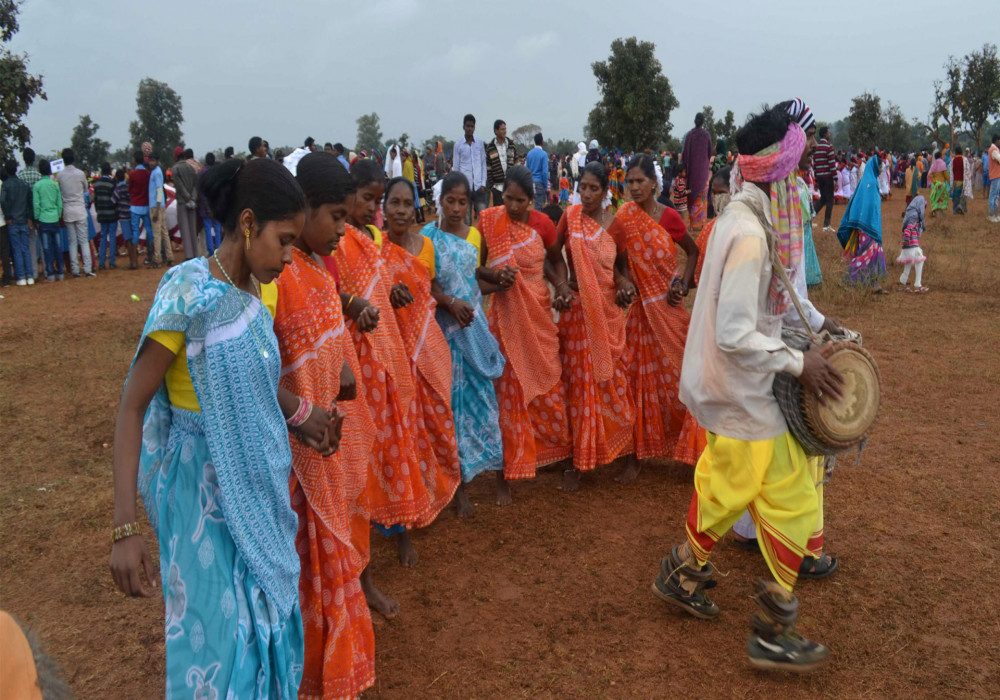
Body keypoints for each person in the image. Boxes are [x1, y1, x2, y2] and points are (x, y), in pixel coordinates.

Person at [652, 105, 845, 672]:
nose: (807, 181)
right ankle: (705, 587)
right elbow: (736, 330)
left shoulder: (745, 219)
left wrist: (815, 329)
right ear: (778, 174)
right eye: (801, 168)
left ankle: (728, 596)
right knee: (731, 487)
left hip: (748, 384)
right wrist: (799, 364)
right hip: (740, 385)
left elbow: (768, 306)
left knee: (784, 493)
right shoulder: (749, 234)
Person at [109, 157, 307, 697]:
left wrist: (300, 418)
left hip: (258, 488)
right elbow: (131, 407)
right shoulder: (187, 291)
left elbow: (251, 390)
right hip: (201, 498)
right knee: (220, 647)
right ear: (248, 223)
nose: (290, 257)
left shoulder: (257, 295)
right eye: (285, 240)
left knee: (263, 626)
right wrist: (125, 529)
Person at [274, 152, 376, 700]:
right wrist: (302, 410)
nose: (344, 227)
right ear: (303, 208)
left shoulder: (315, 270)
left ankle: (333, 669)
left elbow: (327, 341)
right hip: (290, 456)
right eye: (335, 215)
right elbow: (256, 366)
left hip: (323, 440)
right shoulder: (277, 273)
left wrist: (337, 374)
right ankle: (309, 674)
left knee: (329, 563)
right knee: (302, 571)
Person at [335, 159, 452, 608]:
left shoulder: (373, 240)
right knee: (362, 460)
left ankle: (400, 528)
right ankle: (362, 573)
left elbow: (389, 284)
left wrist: (395, 293)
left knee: (395, 443)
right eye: (368, 198)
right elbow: (338, 296)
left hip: (386, 360)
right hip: (353, 367)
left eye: (376, 199)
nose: (373, 207)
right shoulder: (337, 242)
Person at [478, 165, 572, 502]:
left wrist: (561, 284)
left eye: (520, 201)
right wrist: (497, 278)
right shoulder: (489, 221)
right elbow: (477, 270)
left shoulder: (544, 225)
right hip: (504, 316)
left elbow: (556, 261)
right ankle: (506, 470)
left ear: (532, 201)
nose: (512, 206)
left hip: (537, 314)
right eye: (507, 198)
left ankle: (560, 457)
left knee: (549, 383)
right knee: (507, 392)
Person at [422, 172, 505, 515]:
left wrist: (498, 280)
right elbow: (425, 285)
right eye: (450, 201)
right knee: (452, 411)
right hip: (446, 333)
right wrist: (449, 304)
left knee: (485, 402)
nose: (456, 208)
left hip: (474, 328)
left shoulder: (474, 236)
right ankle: (459, 487)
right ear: (439, 202)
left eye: (462, 202)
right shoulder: (427, 238)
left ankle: (500, 474)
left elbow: (474, 278)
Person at [615, 155, 702, 484]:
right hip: (640, 314)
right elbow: (618, 261)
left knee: (683, 375)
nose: (634, 187)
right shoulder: (623, 218)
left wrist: (682, 284)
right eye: (630, 182)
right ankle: (636, 455)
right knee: (637, 380)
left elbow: (692, 252)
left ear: (654, 183)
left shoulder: (668, 217)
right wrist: (623, 282)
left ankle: (691, 449)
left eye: (640, 181)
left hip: (669, 310)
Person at [380, 176, 461, 516]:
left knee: (440, 418)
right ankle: (411, 500)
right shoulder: (374, 248)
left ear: (415, 207)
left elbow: (433, 289)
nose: (400, 210)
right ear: (383, 208)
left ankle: (453, 488)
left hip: (428, 343)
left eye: (406, 203)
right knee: (405, 427)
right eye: (393, 203)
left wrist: (452, 301)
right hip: (393, 348)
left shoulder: (426, 246)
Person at [555, 161, 636, 491]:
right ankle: (579, 458)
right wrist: (562, 284)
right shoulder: (569, 218)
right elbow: (551, 255)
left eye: (593, 188)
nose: (586, 194)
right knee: (579, 383)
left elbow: (622, 269)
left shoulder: (615, 227)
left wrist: (622, 285)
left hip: (605, 313)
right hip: (577, 314)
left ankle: (623, 449)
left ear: (605, 192)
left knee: (610, 381)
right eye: (582, 187)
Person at [838, 154, 887, 290]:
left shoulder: (873, 181)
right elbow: (866, 205)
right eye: (881, 166)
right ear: (876, 166)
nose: (882, 169)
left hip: (871, 225)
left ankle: (874, 284)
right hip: (866, 226)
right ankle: (849, 281)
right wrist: (866, 223)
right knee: (867, 254)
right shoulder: (868, 184)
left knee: (874, 252)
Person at [54, 148, 93, 278]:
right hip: (80, 209)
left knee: (72, 242)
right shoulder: (80, 173)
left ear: (63, 161)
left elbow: (58, 191)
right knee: (84, 241)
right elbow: (85, 188)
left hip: (68, 211)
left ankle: (75, 270)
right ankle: (87, 268)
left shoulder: (60, 176)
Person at [1, 161, 34, 285]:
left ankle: (21, 277)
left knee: (16, 250)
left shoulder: (6, 185)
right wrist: (29, 217)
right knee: (25, 248)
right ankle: (29, 276)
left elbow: (3, 201)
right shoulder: (24, 184)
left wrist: (8, 216)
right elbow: (30, 201)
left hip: (12, 221)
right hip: (24, 220)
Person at [453, 114, 488, 223]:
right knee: (467, 221)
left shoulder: (480, 143)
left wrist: (483, 184)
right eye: (468, 126)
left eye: (472, 126)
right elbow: (456, 167)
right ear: (463, 127)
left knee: (484, 218)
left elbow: (483, 164)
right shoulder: (458, 145)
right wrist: (459, 186)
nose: (470, 129)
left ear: (474, 127)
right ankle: (468, 240)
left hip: (479, 187)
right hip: (465, 189)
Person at [682, 113, 714, 233]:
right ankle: (701, 224)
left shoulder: (689, 135)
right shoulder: (706, 135)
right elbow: (709, 152)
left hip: (691, 175)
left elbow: (685, 155)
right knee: (702, 200)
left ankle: (692, 224)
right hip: (703, 175)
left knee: (693, 198)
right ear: (703, 122)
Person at [32, 159, 63, 281]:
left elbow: (36, 204)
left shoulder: (37, 186)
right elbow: (59, 203)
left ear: (40, 171)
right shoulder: (54, 184)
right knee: (57, 247)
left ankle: (50, 274)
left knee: (46, 249)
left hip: (43, 220)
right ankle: (60, 273)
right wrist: (58, 215)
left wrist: (36, 219)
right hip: (54, 218)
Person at [18, 148, 42, 278]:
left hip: (24, 213)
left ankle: (30, 272)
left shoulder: (20, 176)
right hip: (38, 212)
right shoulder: (38, 176)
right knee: (37, 242)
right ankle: (37, 270)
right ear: (33, 160)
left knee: (26, 243)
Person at [173, 148, 200, 259]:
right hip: (192, 202)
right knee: (193, 229)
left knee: (185, 229)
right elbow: (195, 185)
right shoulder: (191, 168)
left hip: (182, 202)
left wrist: (187, 197)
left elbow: (179, 185)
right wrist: (193, 198)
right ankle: (195, 253)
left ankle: (188, 255)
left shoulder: (175, 168)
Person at [897, 195, 928, 293]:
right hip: (911, 244)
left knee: (908, 262)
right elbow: (908, 228)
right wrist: (906, 239)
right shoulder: (914, 216)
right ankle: (918, 284)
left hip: (909, 245)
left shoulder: (911, 214)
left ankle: (902, 281)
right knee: (920, 259)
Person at [148, 153, 172, 267]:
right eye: (150, 160)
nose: (151, 162)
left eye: (153, 160)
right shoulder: (157, 171)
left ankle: (157, 259)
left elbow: (159, 190)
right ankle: (169, 256)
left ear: (157, 162)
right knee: (164, 232)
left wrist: (157, 209)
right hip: (160, 204)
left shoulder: (156, 173)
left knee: (157, 234)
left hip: (156, 206)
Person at [485, 119, 517, 207]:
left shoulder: (511, 145)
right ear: (496, 131)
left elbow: (516, 164)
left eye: (505, 129)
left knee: (511, 214)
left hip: (510, 187)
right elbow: (488, 169)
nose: (505, 131)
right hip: (497, 189)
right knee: (499, 215)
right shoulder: (490, 148)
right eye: (502, 129)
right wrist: (492, 187)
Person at [92, 163, 118, 270]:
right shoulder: (112, 184)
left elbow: (95, 200)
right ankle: (112, 262)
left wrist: (98, 210)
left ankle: (101, 263)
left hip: (102, 214)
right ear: (110, 172)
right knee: (112, 237)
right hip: (111, 214)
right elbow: (115, 199)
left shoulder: (96, 184)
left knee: (103, 237)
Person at [111, 168, 136, 269]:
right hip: (132, 214)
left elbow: (113, 201)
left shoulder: (118, 189)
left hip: (123, 216)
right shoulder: (128, 187)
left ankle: (132, 262)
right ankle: (135, 261)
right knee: (133, 239)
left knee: (128, 240)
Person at [199, 153, 222, 254]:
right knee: (217, 228)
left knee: (208, 228)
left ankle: (211, 251)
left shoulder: (201, 173)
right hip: (216, 205)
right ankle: (218, 249)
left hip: (205, 206)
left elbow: (201, 191)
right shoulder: (217, 172)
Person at [524, 133, 549, 210]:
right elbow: (545, 172)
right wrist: (545, 186)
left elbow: (526, 169)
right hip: (539, 183)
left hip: (530, 183)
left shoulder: (529, 153)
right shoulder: (544, 154)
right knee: (538, 206)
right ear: (542, 142)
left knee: (529, 205)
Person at [949, 145, 970, 215]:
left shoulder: (953, 160)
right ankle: (963, 208)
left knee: (956, 196)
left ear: (955, 152)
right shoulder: (965, 160)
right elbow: (967, 171)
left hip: (956, 180)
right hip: (963, 180)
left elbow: (951, 172)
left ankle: (955, 209)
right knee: (963, 195)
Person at [927, 151, 949, 216]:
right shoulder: (943, 164)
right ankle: (940, 212)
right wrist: (950, 182)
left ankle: (934, 211)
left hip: (935, 185)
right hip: (942, 185)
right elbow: (946, 175)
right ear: (941, 156)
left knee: (935, 199)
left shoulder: (933, 164)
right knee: (942, 198)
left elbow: (930, 174)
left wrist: (934, 182)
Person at [989, 134, 1000, 223]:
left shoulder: (994, 149)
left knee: (996, 196)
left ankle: (996, 215)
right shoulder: (993, 150)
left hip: (996, 175)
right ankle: (992, 215)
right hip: (995, 175)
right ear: (996, 140)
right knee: (993, 196)